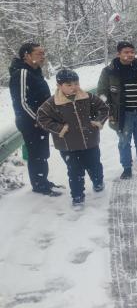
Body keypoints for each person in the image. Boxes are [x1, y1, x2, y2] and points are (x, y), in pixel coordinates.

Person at [36, 69, 109, 206]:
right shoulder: (52, 103)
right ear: (59, 86)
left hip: (90, 142)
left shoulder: (87, 97)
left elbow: (103, 108)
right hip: (68, 146)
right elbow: (41, 117)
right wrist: (60, 129)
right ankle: (77, 196)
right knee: (75, 171)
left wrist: (97, 121)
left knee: (95, 166)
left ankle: (98, 182)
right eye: (69, 85)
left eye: (76, 83)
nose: (74, 87)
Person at [97, 41, 137, 179]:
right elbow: (102, 93)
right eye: (126, 52)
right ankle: (127, 168)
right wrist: (109, 110)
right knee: (124, 142)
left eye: (132, 52)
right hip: (122, 114)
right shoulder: (109, 71)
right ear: (118, 54)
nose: (130, 55)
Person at [8, 42, 62, 196]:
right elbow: (22, 103)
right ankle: (39, 185)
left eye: (43, 53)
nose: (43, 56)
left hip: (39, 122)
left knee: (42, 153)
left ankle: (43, 181)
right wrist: (39, 120)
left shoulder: (34, 71)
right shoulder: (22, 73)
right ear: (26, 55)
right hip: (31, 123)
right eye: (39, 53)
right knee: (36, 155)